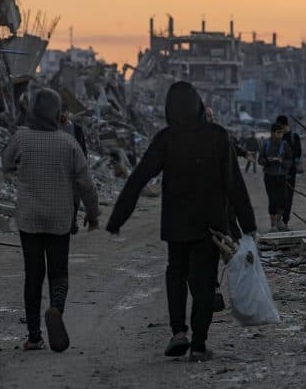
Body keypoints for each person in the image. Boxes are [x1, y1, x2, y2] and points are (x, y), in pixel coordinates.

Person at [106, 81, 256, 363]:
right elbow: (234, 184)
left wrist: (118, 217)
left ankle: (178, 332)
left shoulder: (167, 138)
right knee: (203, 283)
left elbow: (139, 177)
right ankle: (199, 344)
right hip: (210, 224)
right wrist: (248, 224)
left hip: (176, 224)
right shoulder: (218, 136)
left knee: (176, 274)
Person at [3, 89, 100, 353]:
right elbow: (86, 184)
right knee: (58, 273)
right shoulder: (69, 144)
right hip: (60, 218)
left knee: (33, 276)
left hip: (29, 219)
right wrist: (92, 214)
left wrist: (23, 170)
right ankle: (55, 309)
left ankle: (34, 337)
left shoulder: (21, 137)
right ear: (58, 113)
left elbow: (6, 164)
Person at [60, 103, 89, 234]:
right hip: (58, 168)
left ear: (67, 112)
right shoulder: (53, 129)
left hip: (74, 168)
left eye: (63, 112)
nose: (61, 115)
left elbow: (83, 149)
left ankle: (72, 222)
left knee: (75, 198)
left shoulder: (76, 129)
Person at [259, 123, 293, 232]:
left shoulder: (285, 145)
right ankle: (273, 225)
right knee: (273, 201)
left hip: (281, 177)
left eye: (281, 133)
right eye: (278, 133)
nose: (280, 135)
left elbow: (289, 160)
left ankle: (279, 221)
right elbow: (260, 160)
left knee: (283, 200)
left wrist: (281, 161)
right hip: (269, 177)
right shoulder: (266, 144)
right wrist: (268, 161)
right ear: (272, 133)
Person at [276, 115, 302, 229]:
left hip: (290, 173)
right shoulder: (277, 136)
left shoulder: (294, 137)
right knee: (277, 197)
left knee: (288, 197)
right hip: (277, 172)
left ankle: (285, 222)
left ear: (285, 125)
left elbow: (298, 153)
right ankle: (277, 221)